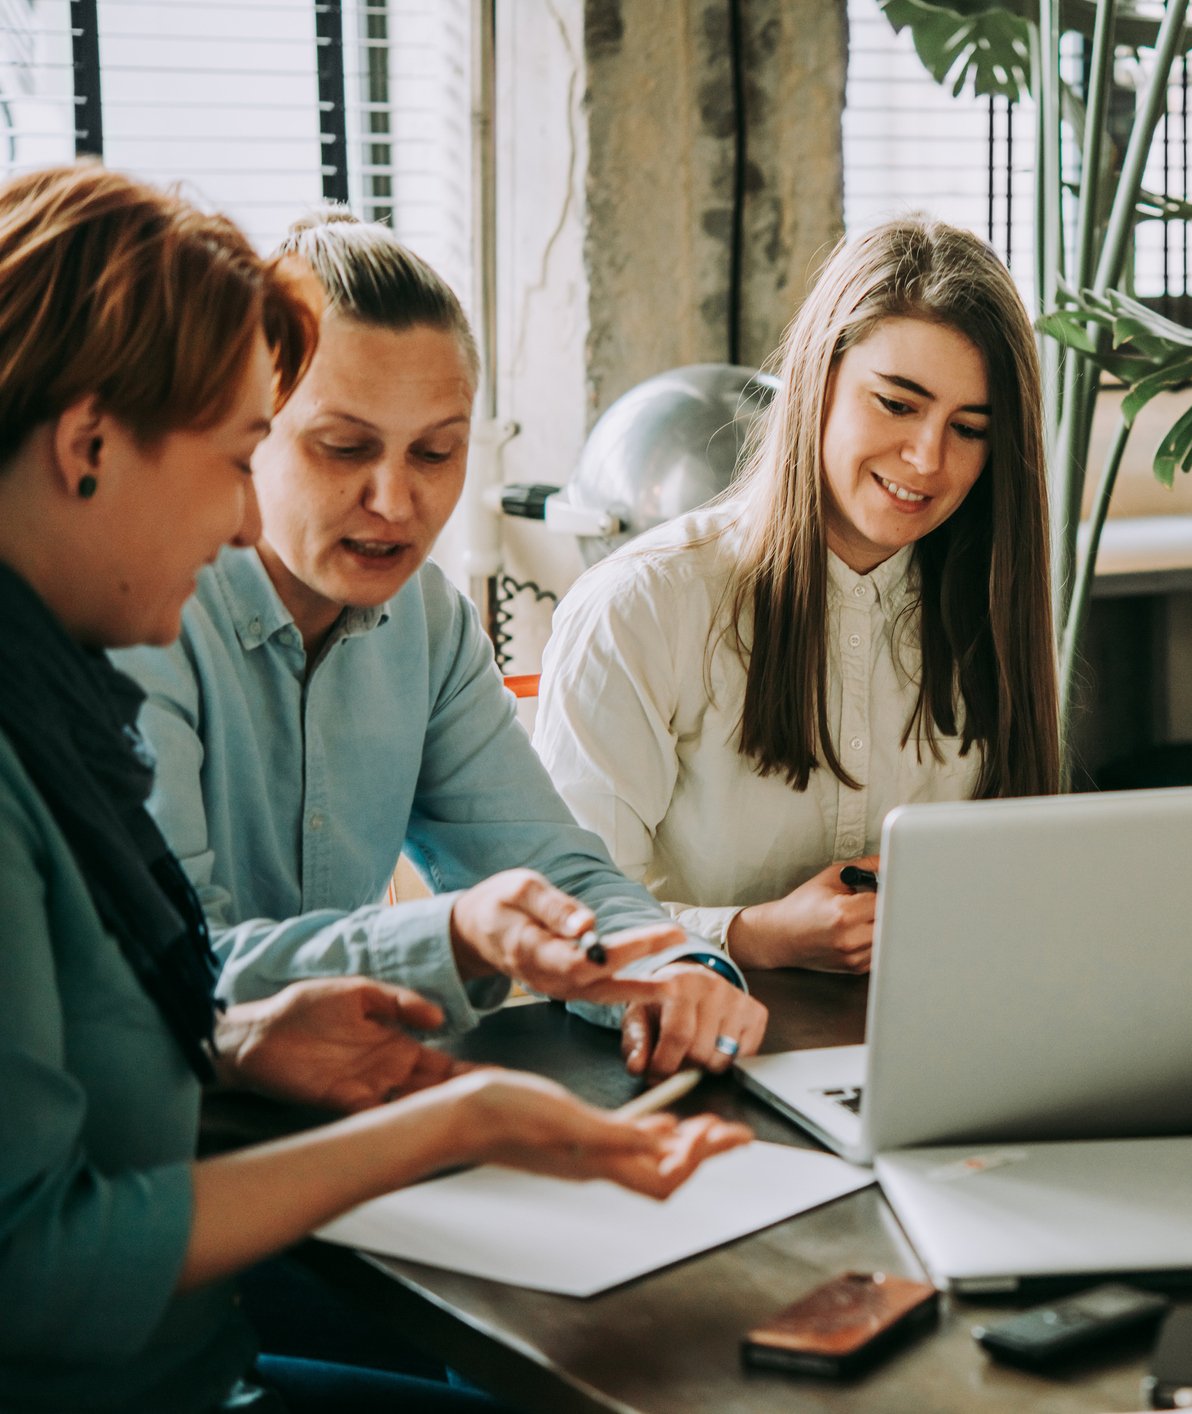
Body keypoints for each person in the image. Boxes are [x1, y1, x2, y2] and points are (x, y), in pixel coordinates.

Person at [0, 162, 750, 1414]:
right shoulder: (103, 654)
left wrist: (672, 965)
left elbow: (132, 1005)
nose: (245, 523)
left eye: (439, 452)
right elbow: (40, 1253)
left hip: (194, 1328)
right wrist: (444, 1089)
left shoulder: (62, 676)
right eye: (262, 454)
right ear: (87, 446)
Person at [115, 211, 766, 1081]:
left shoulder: (429, 618)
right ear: (247, 432)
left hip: (343, 1109)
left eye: (436, 451)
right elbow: (178, 965)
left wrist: (672, 967)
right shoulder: (138, 617)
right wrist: (452, 937)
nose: (395, 499)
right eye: (344, 447)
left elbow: (545, 862)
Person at [535, 216, 1060, 974]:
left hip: (932, 1045)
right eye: (896, 403)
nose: (926, 458)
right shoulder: (641, 607)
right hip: (686, 1048)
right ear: (819, 381)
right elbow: (568, 920)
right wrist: (751, 935)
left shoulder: (989, 605)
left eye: (969, 427)